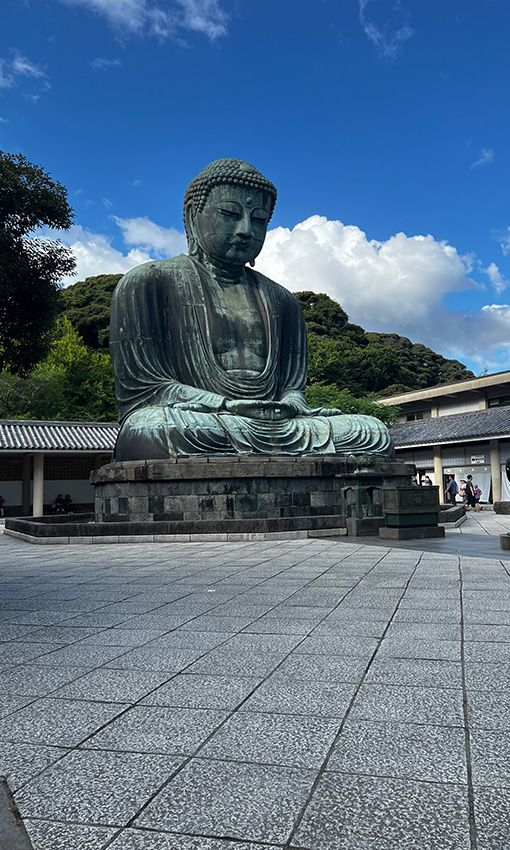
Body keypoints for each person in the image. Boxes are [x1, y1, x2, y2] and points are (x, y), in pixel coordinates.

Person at [110, 159, 394, 461]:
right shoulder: (149, 283)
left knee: (371, 432)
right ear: (195, 217)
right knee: (151, 428)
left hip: (276, 425)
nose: (245, 230)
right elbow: (147, 391)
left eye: (258, 220)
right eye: (230, 214)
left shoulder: (283, 301)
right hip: (201, 420)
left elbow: (293, 388)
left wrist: (290, 403)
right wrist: (223, 405)